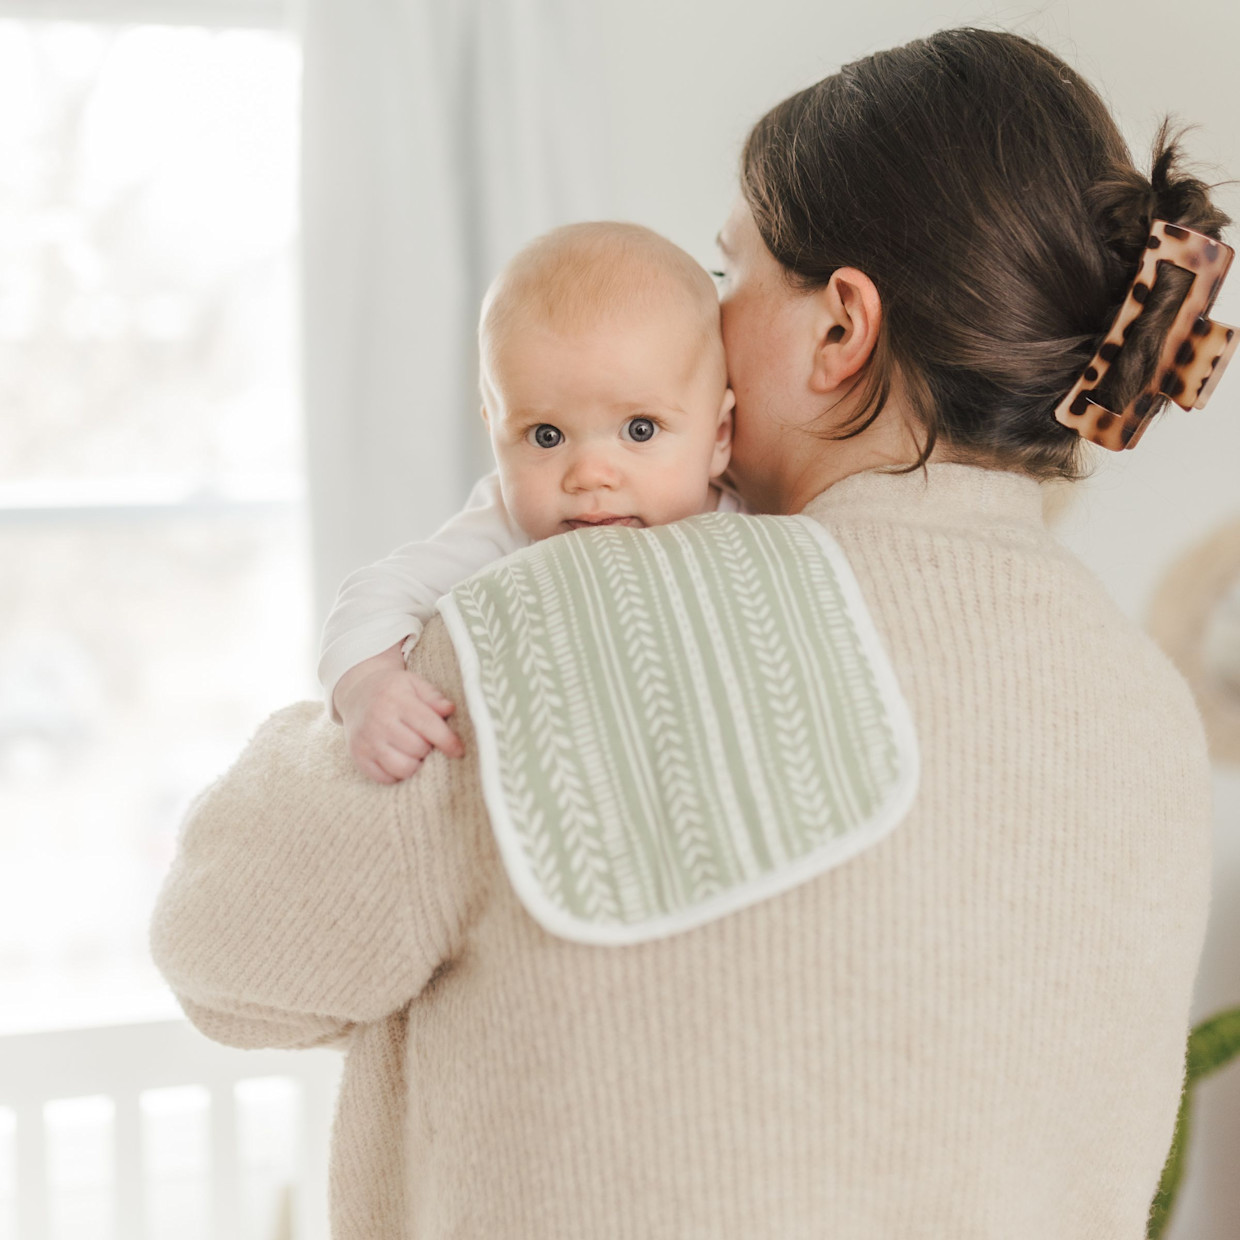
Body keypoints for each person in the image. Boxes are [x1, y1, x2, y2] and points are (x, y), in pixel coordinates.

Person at [151, 27, 1223, 1239]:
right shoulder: (1143, 702)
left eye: (731, 277)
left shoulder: (551, 625)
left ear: (840, 331)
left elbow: (225, 946)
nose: (707, 323)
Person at [317, 222, 740, 785]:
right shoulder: (502, 529)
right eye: (545, 435)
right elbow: (375, 593)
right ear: (495, 431)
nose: (590, 475)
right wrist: (368, 685)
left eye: (640, 429)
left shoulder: (756, 522)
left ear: (718, 436)